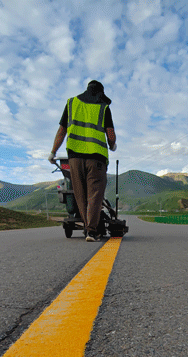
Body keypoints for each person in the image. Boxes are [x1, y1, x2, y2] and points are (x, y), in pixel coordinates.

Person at [49, 80, 117, 242]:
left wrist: (53, 152)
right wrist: (112, 145)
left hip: (75, 158)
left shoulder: (72, 104)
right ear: (100, 93)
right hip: (96, 158)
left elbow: (61, 131)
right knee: (94, 195)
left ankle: (88, 228)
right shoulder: (103, 107)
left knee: (80, 194)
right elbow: (111, 134)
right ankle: (92, 231)